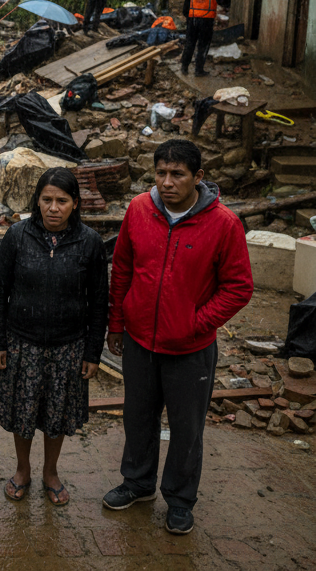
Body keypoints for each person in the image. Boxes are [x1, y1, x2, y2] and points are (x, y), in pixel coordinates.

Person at [103, 139, 253, 535]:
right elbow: (121, 270)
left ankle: (181, 500)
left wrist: (197, 322)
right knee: (138, 417)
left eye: (178, 174)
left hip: (190, 348)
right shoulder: (139, 210)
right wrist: (116, 322)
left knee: (187, 428)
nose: (167, 182)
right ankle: (137, 483)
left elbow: (238, 287)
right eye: (161, 173)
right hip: (138, 340)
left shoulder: (223, 223)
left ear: (198, 177)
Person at [0, 167, 108, 507]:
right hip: (21, 342)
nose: (54, 208)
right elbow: (0, 292)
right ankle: (22, 469)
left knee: (57, 414)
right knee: (23, 412)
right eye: (47, 200)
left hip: (69, 346)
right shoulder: (17, 236)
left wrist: (92, 353)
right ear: (36, 201)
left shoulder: (89, 243)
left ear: (75, 204)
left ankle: (50, 472)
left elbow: (99, 301)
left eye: (62, 201)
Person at [180, 0, 240, 77]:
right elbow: (226, 2)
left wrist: (190, 18)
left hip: (192, 21)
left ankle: (184, 67)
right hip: (206, 22)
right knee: (203, 46)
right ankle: (198, 70)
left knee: (189, 44)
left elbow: (185, 9)